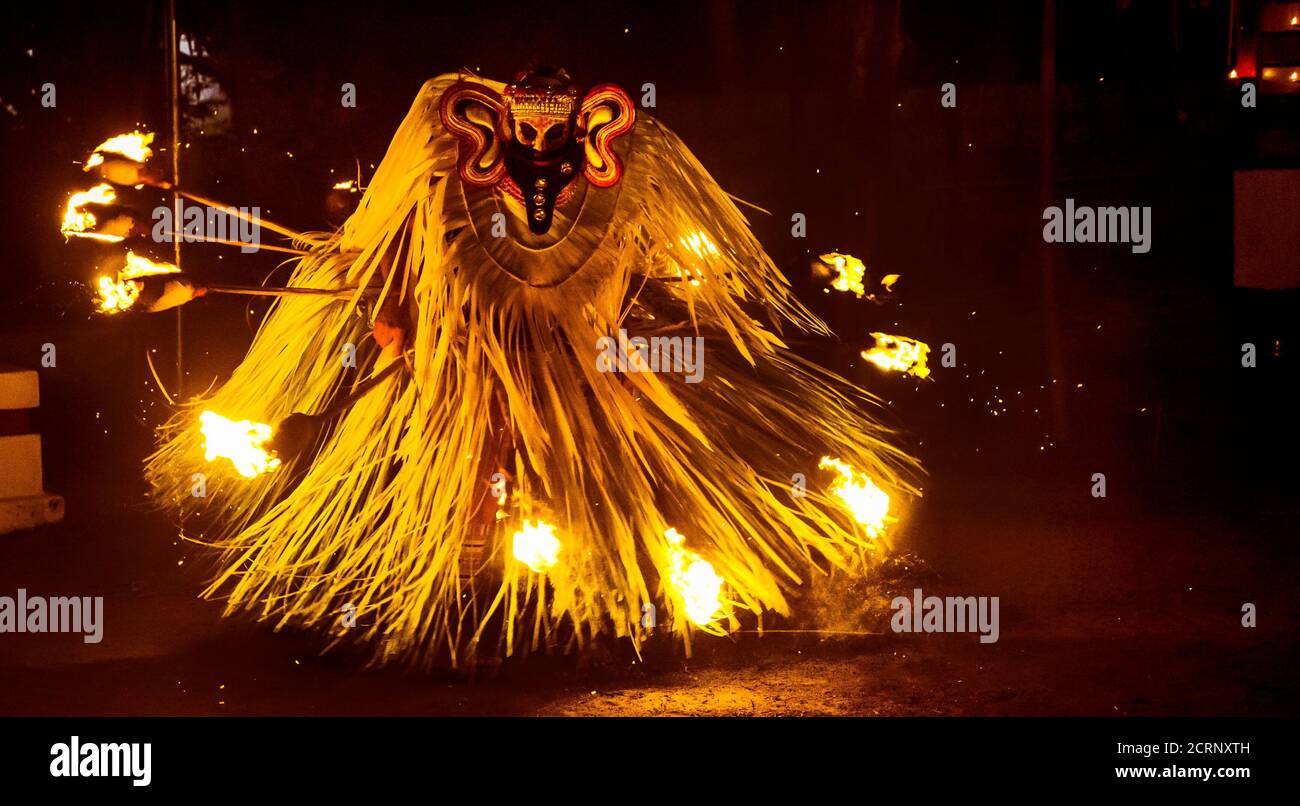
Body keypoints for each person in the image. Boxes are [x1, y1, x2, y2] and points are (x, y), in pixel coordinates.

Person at [147, 64, 920, 669]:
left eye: (557, 128)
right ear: (494, 122)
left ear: (591, 125)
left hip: (582, 375)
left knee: (591, 484)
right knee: (469, 491)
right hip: (461, 369)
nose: (542, 142)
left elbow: (628, 272)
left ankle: (586, 615)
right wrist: (393, 321)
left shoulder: (619, 176)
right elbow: (387, 264)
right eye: (528, 127)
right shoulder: (443, 177)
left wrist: (652, 320)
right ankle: (454, 612)